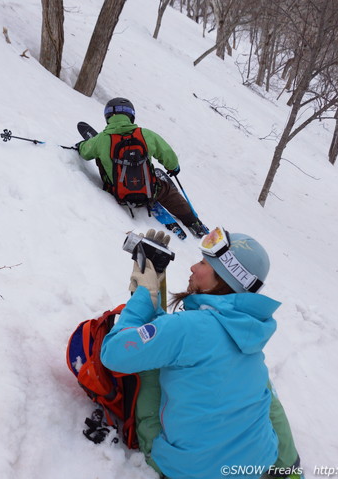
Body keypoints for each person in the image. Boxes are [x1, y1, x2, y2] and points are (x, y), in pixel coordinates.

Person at [101, 227, 283, 479]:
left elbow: (113, 354)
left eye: (204, 262)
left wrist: (144, 295)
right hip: (257, 463)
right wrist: (159, 284)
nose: (192, 268)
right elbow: (178, 338)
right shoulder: (251, 330)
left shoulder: (190, 328)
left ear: (222, 277)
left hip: (191, 470)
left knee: (151, 368)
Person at [76, 97, 208, 238]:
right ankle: (193, 222)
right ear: (131, 116)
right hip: (150, 190)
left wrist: (82, 145)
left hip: (118, 193)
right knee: (168, 192)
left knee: (100, 158)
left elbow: (85, 153)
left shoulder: (101, 139)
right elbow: (169, 156)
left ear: (107, 117)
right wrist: (173, 167)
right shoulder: (146, 135)